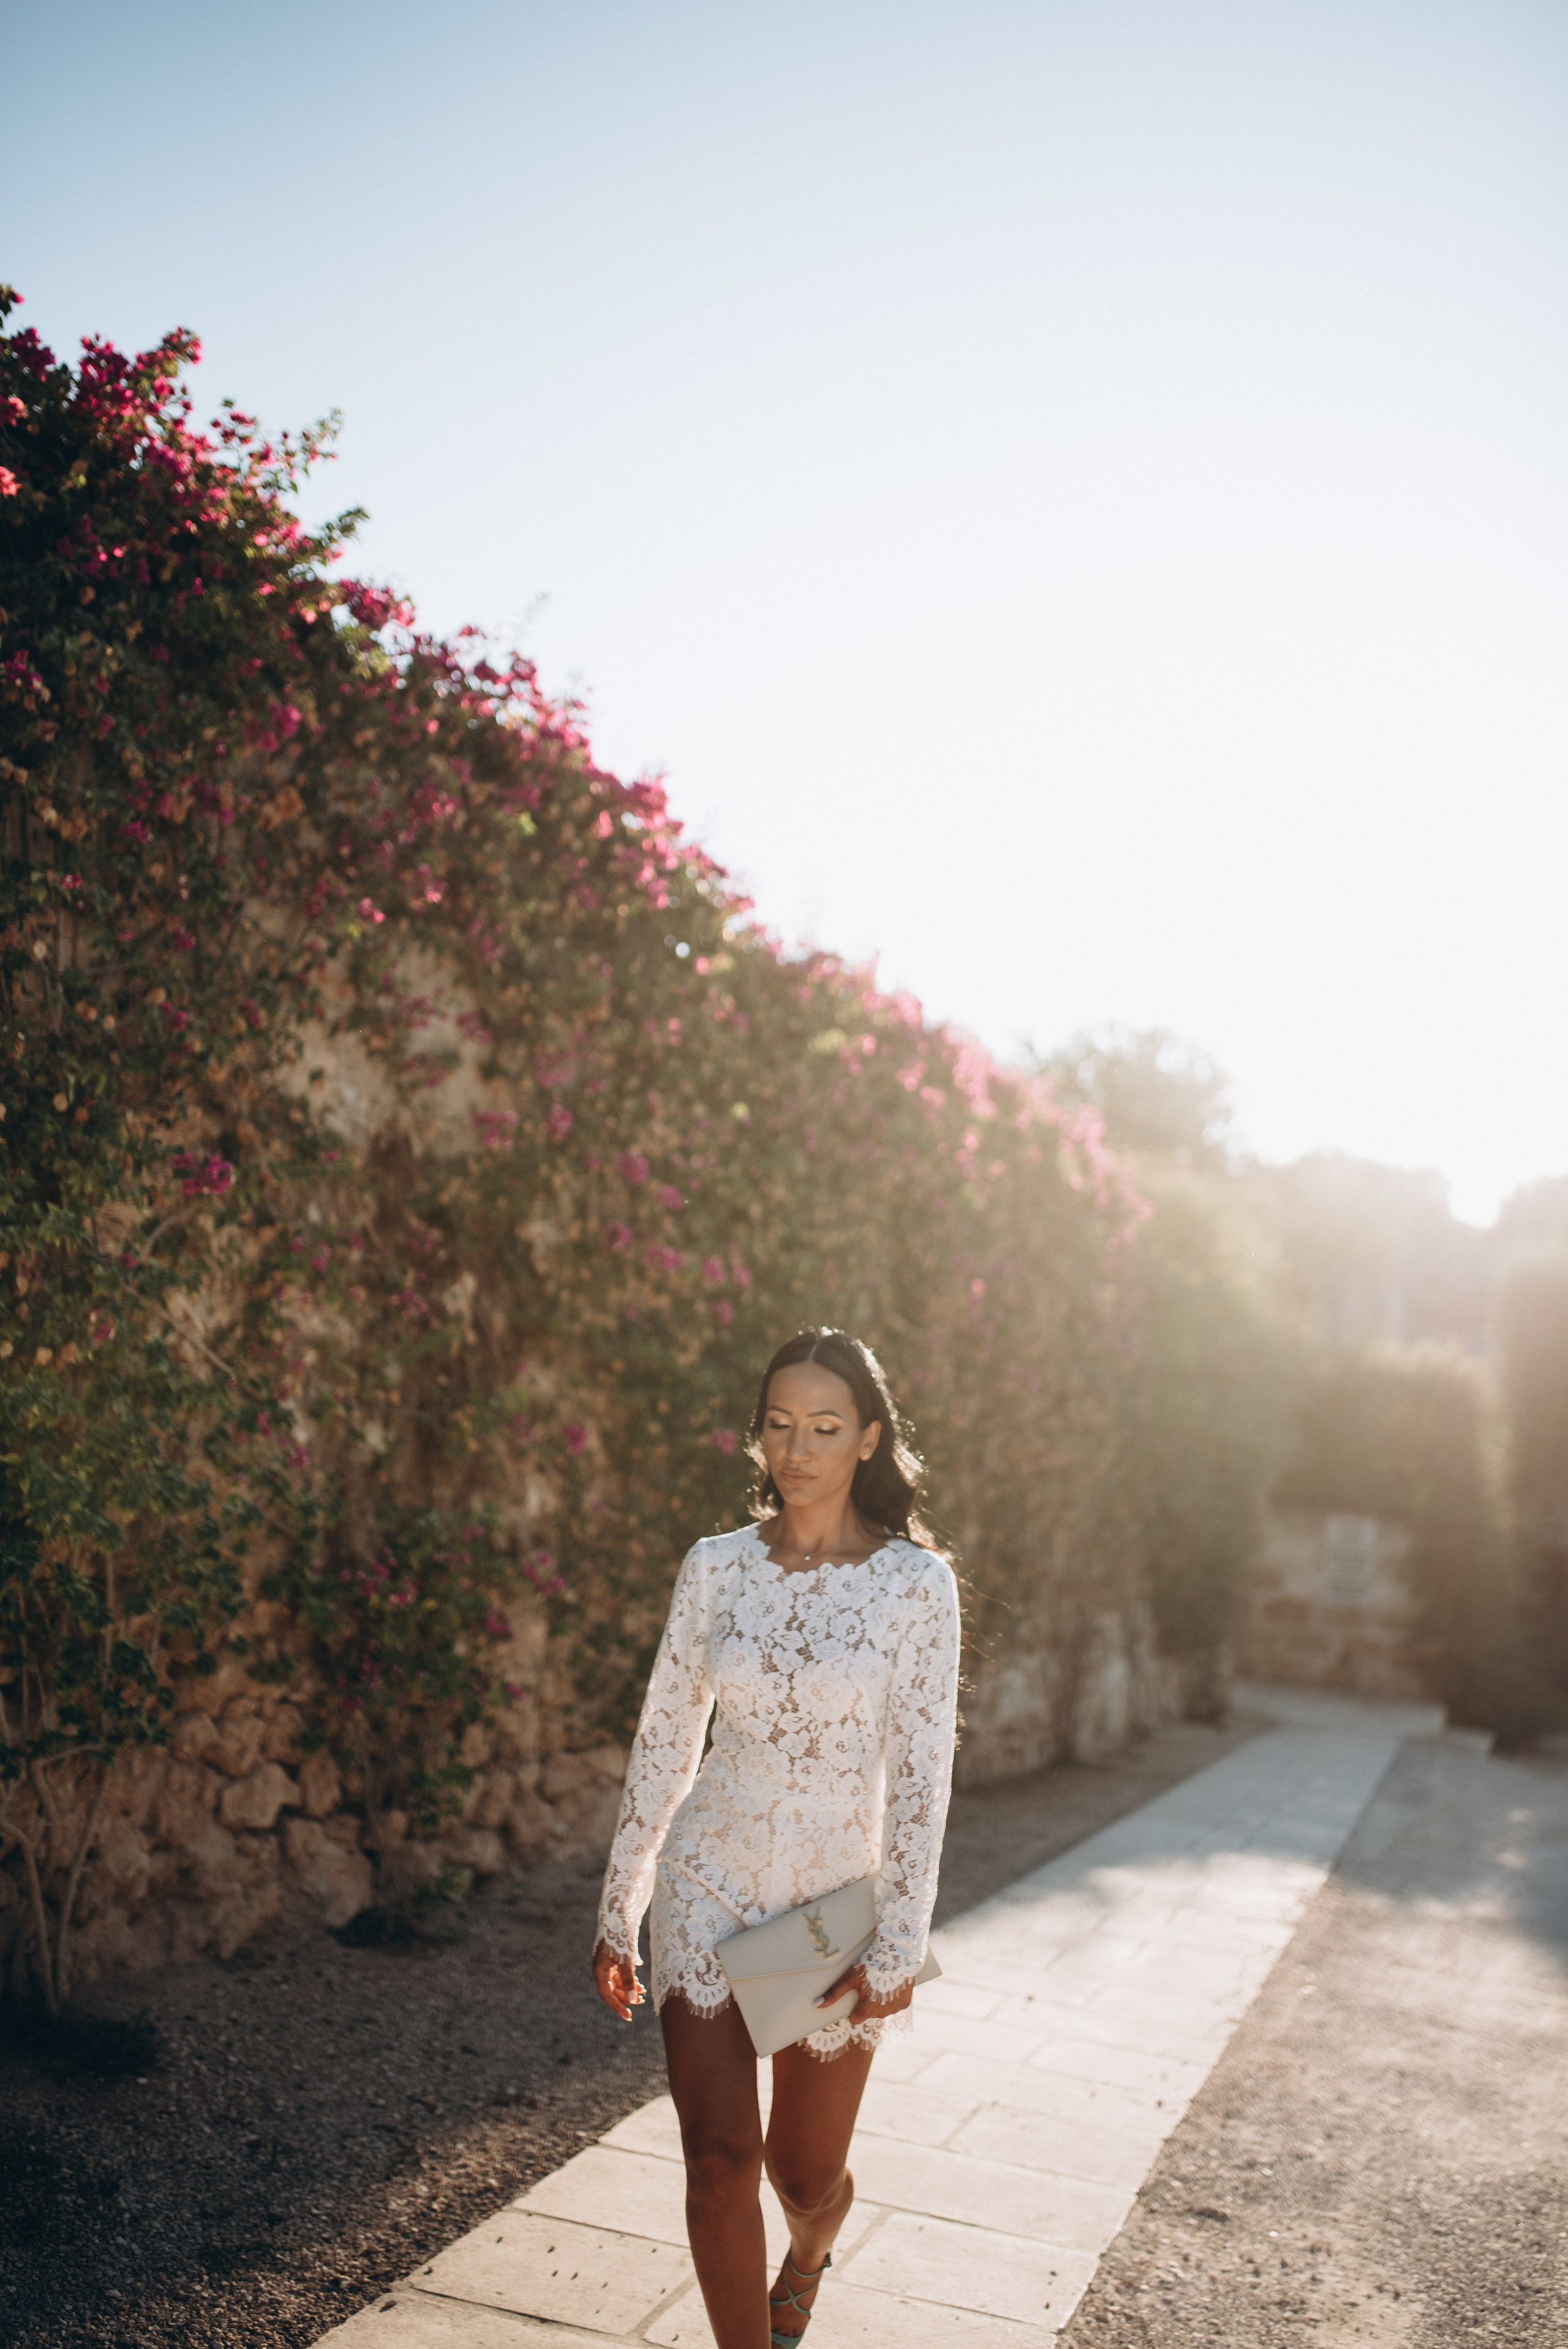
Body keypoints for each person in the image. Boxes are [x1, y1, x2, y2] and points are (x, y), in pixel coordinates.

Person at [592, 1327, 961, 2349]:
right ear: (758, 1435)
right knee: (719, 2163)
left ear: (870, 1440)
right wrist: (619, 1904)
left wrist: (897, 1943)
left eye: (825, 1428)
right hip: (708, 1880)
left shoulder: (917, 1588)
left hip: (830, 1905)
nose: (796, 1449)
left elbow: (926, 1779)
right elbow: (667, 1739)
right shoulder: (714, 1570)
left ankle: (809, 2253)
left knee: (803, 2175)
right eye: (779, 1425)